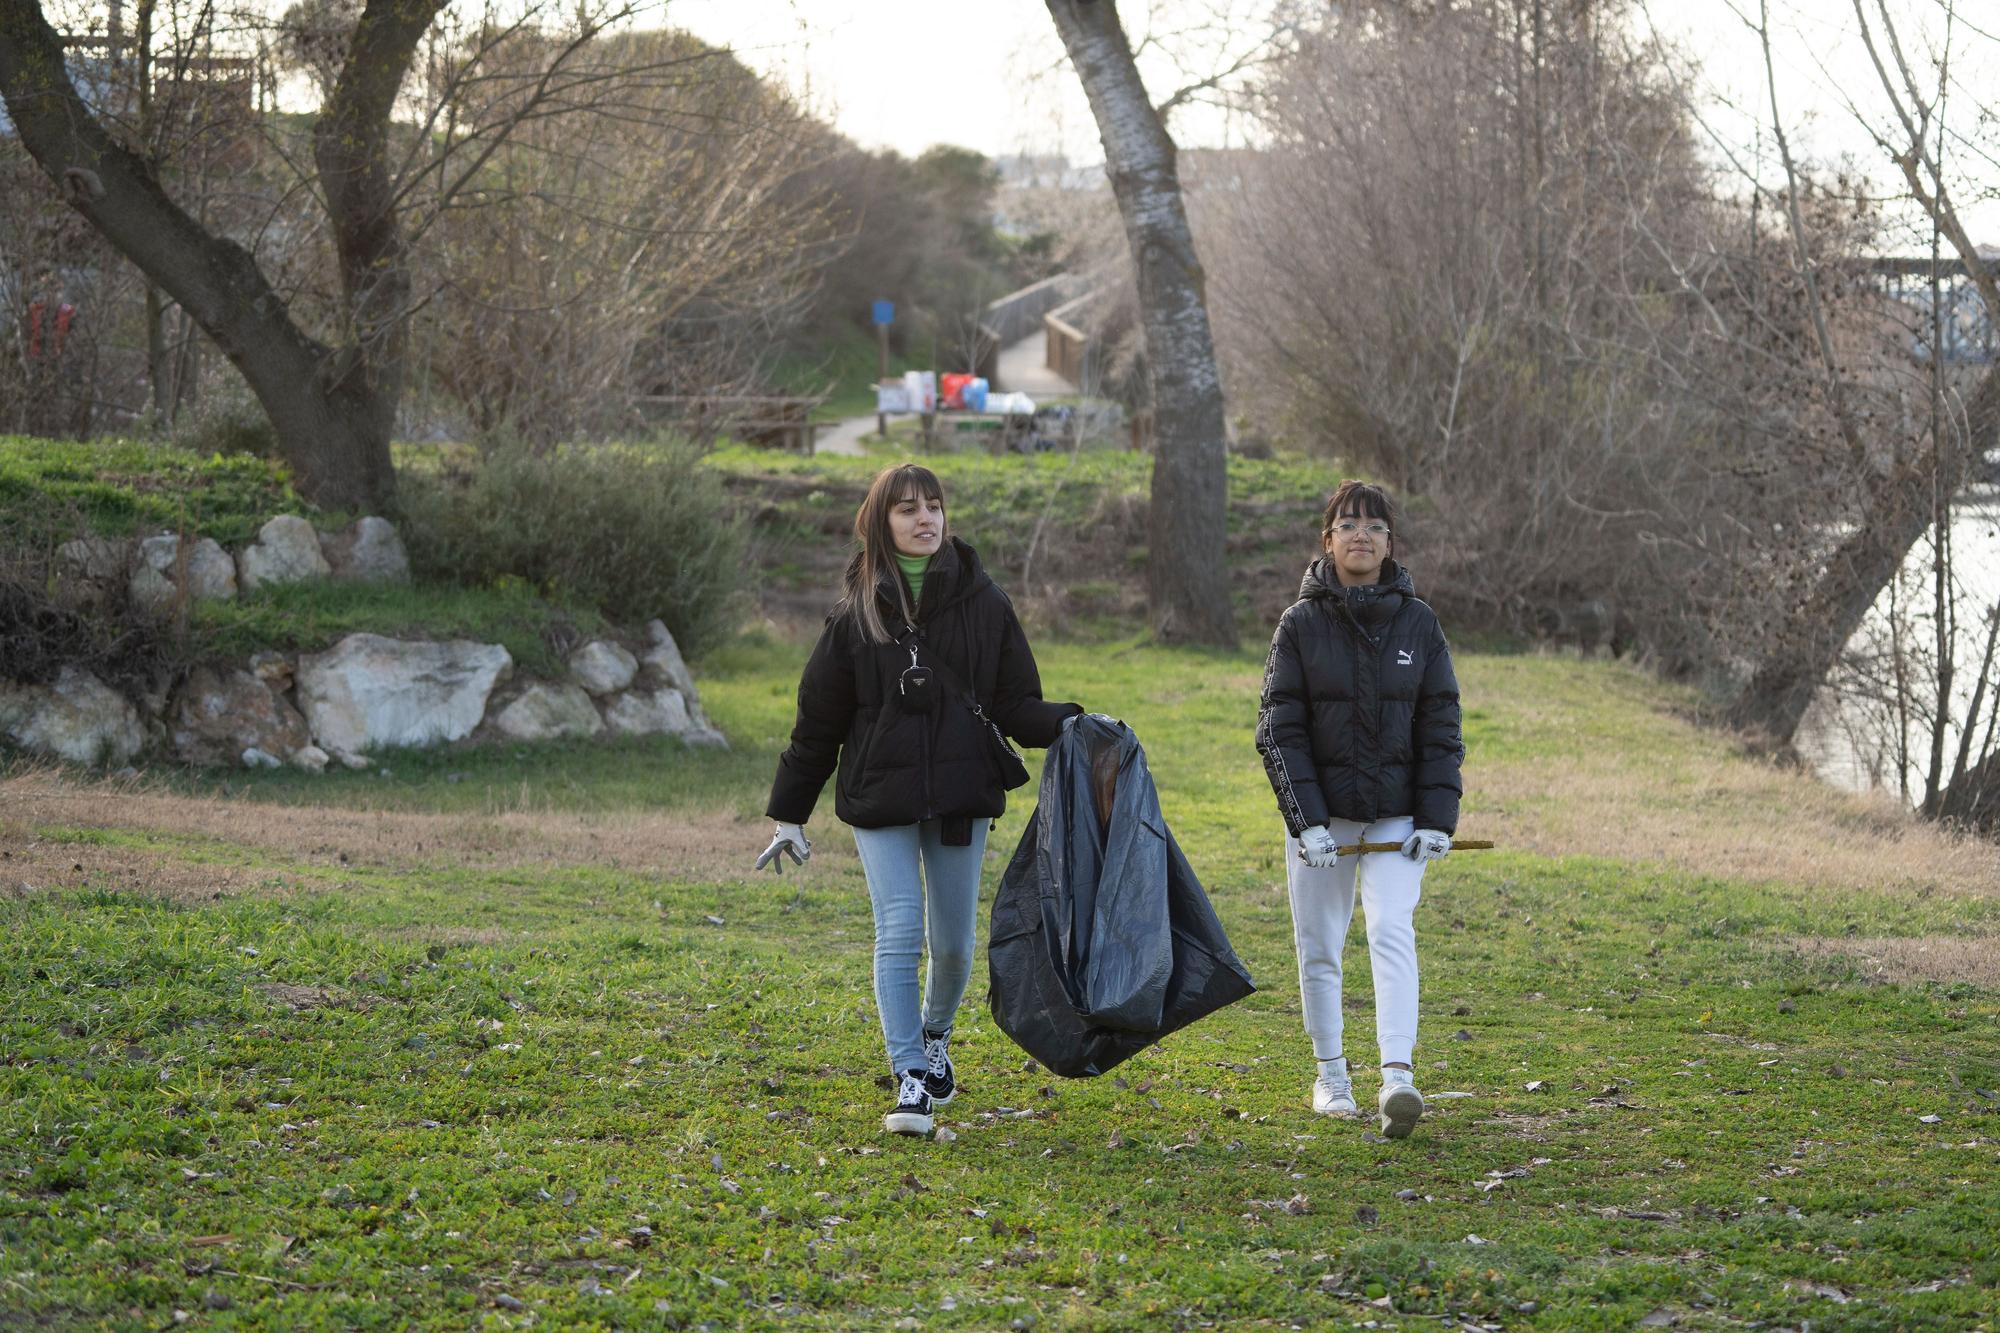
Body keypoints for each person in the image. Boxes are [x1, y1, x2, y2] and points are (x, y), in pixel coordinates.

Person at [757, 463, 1081, 1136]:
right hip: (880, 796)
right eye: (907, 509)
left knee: (955, 946)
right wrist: (790, 812)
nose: (924, 519)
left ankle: (934, 1034)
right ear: (882, 522)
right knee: (900, 929)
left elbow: (1017, 703)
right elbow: (817, 722)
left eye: (933, 506)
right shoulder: (855, 614)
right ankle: (909, 1073)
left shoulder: (986, 602)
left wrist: (1074, 723)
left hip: (962, 794)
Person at [1254, 480, 1464, 1139]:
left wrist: (1435, 818)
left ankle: (1397, 1074)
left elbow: (1441, 724)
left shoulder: (1419, 623)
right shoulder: (1300, 626)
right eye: (1349, 524)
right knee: (1320, 946)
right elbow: (1278, 728)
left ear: (1390, 542)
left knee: (1391, 928)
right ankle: (1332, 1076)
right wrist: (1306, 820)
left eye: (1375, 525)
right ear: (1328, 540)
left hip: (1398, 818)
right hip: (1323, 822)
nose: (1362, 535)